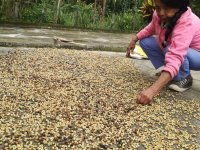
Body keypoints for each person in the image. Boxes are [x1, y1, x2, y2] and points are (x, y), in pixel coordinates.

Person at [126, 0, 200, 105]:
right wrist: (135, 39)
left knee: (170, 48)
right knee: (145, 42)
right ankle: (167, 72)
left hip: (197, 55)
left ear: (178, 6)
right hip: (178, 49)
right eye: (158, 7)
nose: (161, 13)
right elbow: (150, 29)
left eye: (167, 8)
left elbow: (176, 55)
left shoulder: (187, 21)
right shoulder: (159, 15)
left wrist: (152, 90)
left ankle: (185, 78)